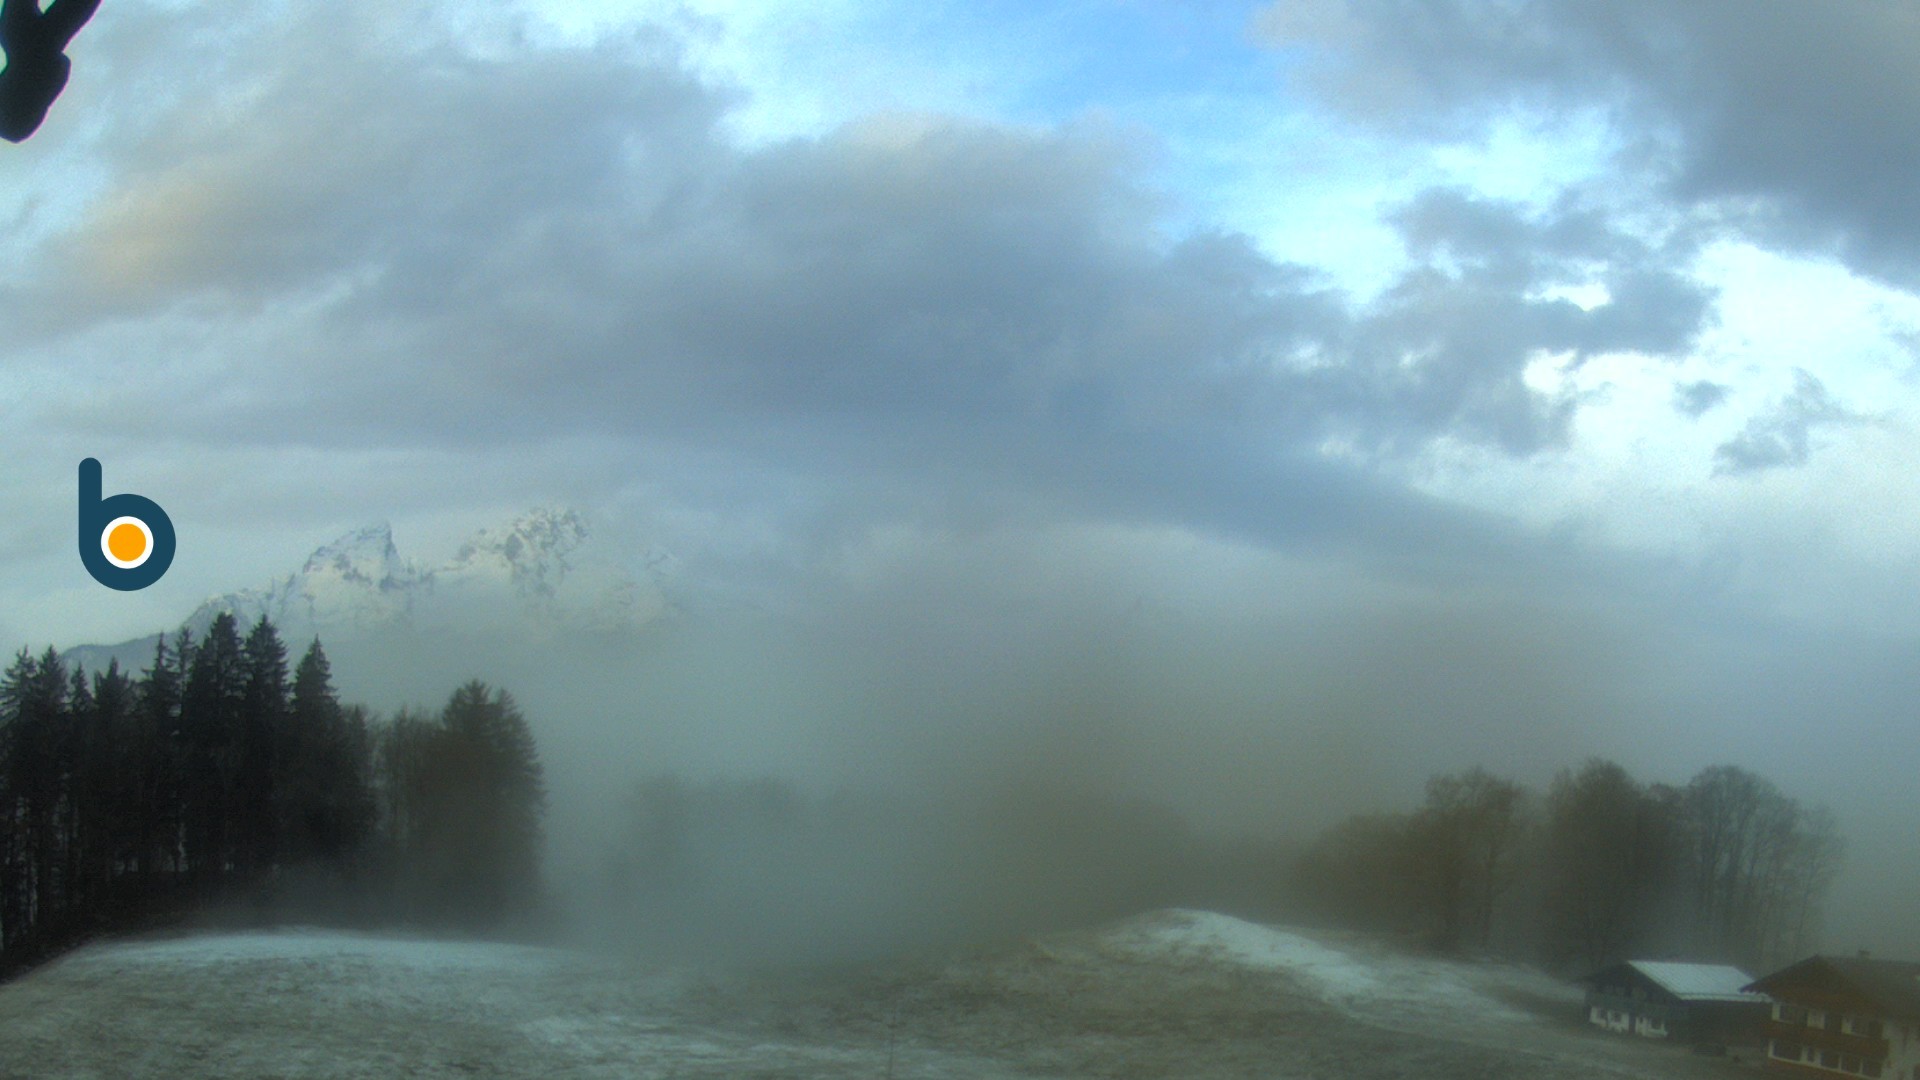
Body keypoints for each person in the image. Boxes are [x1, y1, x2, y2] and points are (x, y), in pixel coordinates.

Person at [0, 0, 100, 142]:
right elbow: (59, 69)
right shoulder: (12, 128)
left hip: (37, 53)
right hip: (30, 49)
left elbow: (60, 67)